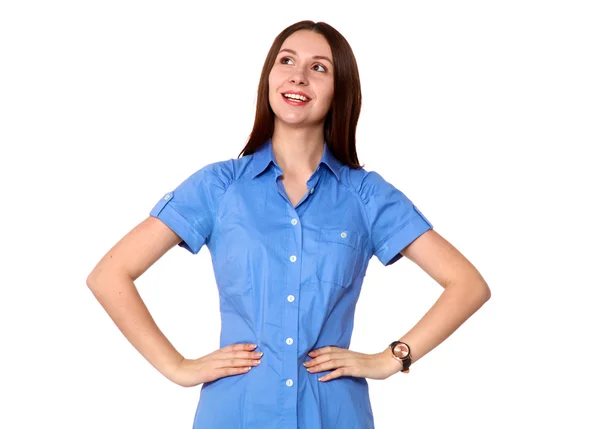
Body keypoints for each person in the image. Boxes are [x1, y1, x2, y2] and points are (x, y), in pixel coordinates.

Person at [87, 20, 491, 429]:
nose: (298, 75)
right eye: (287, 60)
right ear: (269, 78)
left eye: (319, 67)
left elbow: (468, 285)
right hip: (236, 413)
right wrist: (176, 367)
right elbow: (109, 275)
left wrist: (392, 359)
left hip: (334, 414)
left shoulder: (366, 196)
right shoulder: (219, 186)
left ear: (340, 91)